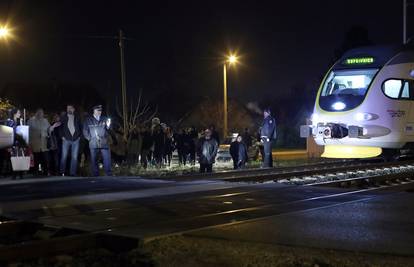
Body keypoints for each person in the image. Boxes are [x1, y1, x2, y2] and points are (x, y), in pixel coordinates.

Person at [83, 105, 112, 176]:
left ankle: (108, 174)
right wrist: (90, 139)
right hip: (93, 142)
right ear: (94, 111)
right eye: (98, 110)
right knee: (94, 159)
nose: (100, 112)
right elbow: (85, 131)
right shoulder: (88, 120)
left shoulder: (104, 119)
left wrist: (108, 125)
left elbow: (109, 129)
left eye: (100, 110)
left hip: (104, 142)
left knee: (107, 159)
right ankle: (95, 175)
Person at [28, 109, 58, 176]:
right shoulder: (31, 121)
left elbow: (49, 129)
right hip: (35, 143)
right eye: (39, 113)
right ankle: (35, 172)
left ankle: (45, 171)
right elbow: (29, 132)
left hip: (44, 143)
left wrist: (53, 127)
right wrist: (30, 142)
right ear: (36, 113)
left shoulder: (45, 121)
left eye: (42, 113)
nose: (40, 114)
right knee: (36, 158)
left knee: (45, 158)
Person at [59, 105, 82, 176]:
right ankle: (62, 172)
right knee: (64, 156)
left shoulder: (77, 117)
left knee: (74, 157)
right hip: (66, 139)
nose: (69, 109)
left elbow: (81, 127)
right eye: (67, 108)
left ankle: (72, 173)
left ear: (73, 109)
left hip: (76, 139)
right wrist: (62, 136)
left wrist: (80, 136)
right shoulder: (63, 117)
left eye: (70, 108)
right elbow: (60, 127)